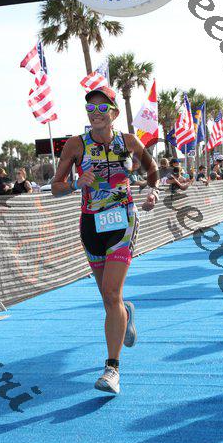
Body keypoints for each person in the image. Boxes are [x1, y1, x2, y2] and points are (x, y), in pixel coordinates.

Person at [51, 86, 159, 395]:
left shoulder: (129, 142)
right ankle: (126, 311)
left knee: (111, 294)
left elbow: (152, 169)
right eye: (90, 109)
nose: (95, 114)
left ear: (114, 113)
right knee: (109, 298)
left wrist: (152, 191)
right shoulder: (76, 145)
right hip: (91, 225)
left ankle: (112, 369)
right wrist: (75, 184)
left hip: (123, 220)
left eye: (102, 108)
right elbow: (56, 186)